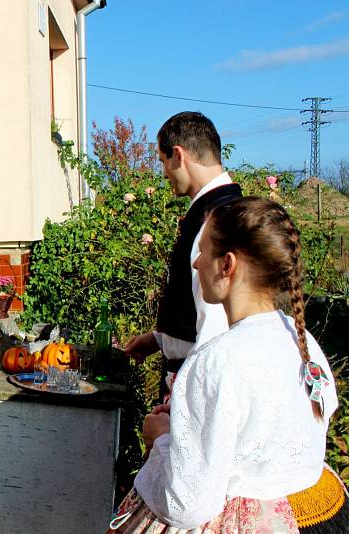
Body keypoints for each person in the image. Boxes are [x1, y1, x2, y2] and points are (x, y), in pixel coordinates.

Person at [109, 197, 349, 532]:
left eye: (203, 251)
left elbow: (187, 504)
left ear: (228, 265)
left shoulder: (215, 361)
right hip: (315, 511)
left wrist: (162, 439)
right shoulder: (300, 338)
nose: (196, 264)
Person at [124, 111, 242, 400]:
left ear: (178, 155)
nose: (163, 172)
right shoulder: (223, 209)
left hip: (195, 385)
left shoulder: (215, 220)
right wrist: (159, 340)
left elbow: (214, 326)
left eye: (163, 161)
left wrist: (184, 402)